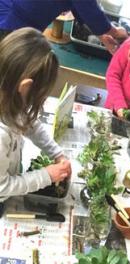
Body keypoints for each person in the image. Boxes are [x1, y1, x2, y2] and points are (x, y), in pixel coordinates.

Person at [0, 28, 71, 212]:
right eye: (41, 96)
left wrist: (56, 153)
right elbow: (2, 187)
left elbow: (28, 123)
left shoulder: (9, 95)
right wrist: (47, 175)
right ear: (25, 87)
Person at [0, 0, 128, 50]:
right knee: (10, 71)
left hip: (18, 18)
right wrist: (114, 32)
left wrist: (101, 34)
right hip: (11, 20)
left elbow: (78, 5)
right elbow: (87, 7)